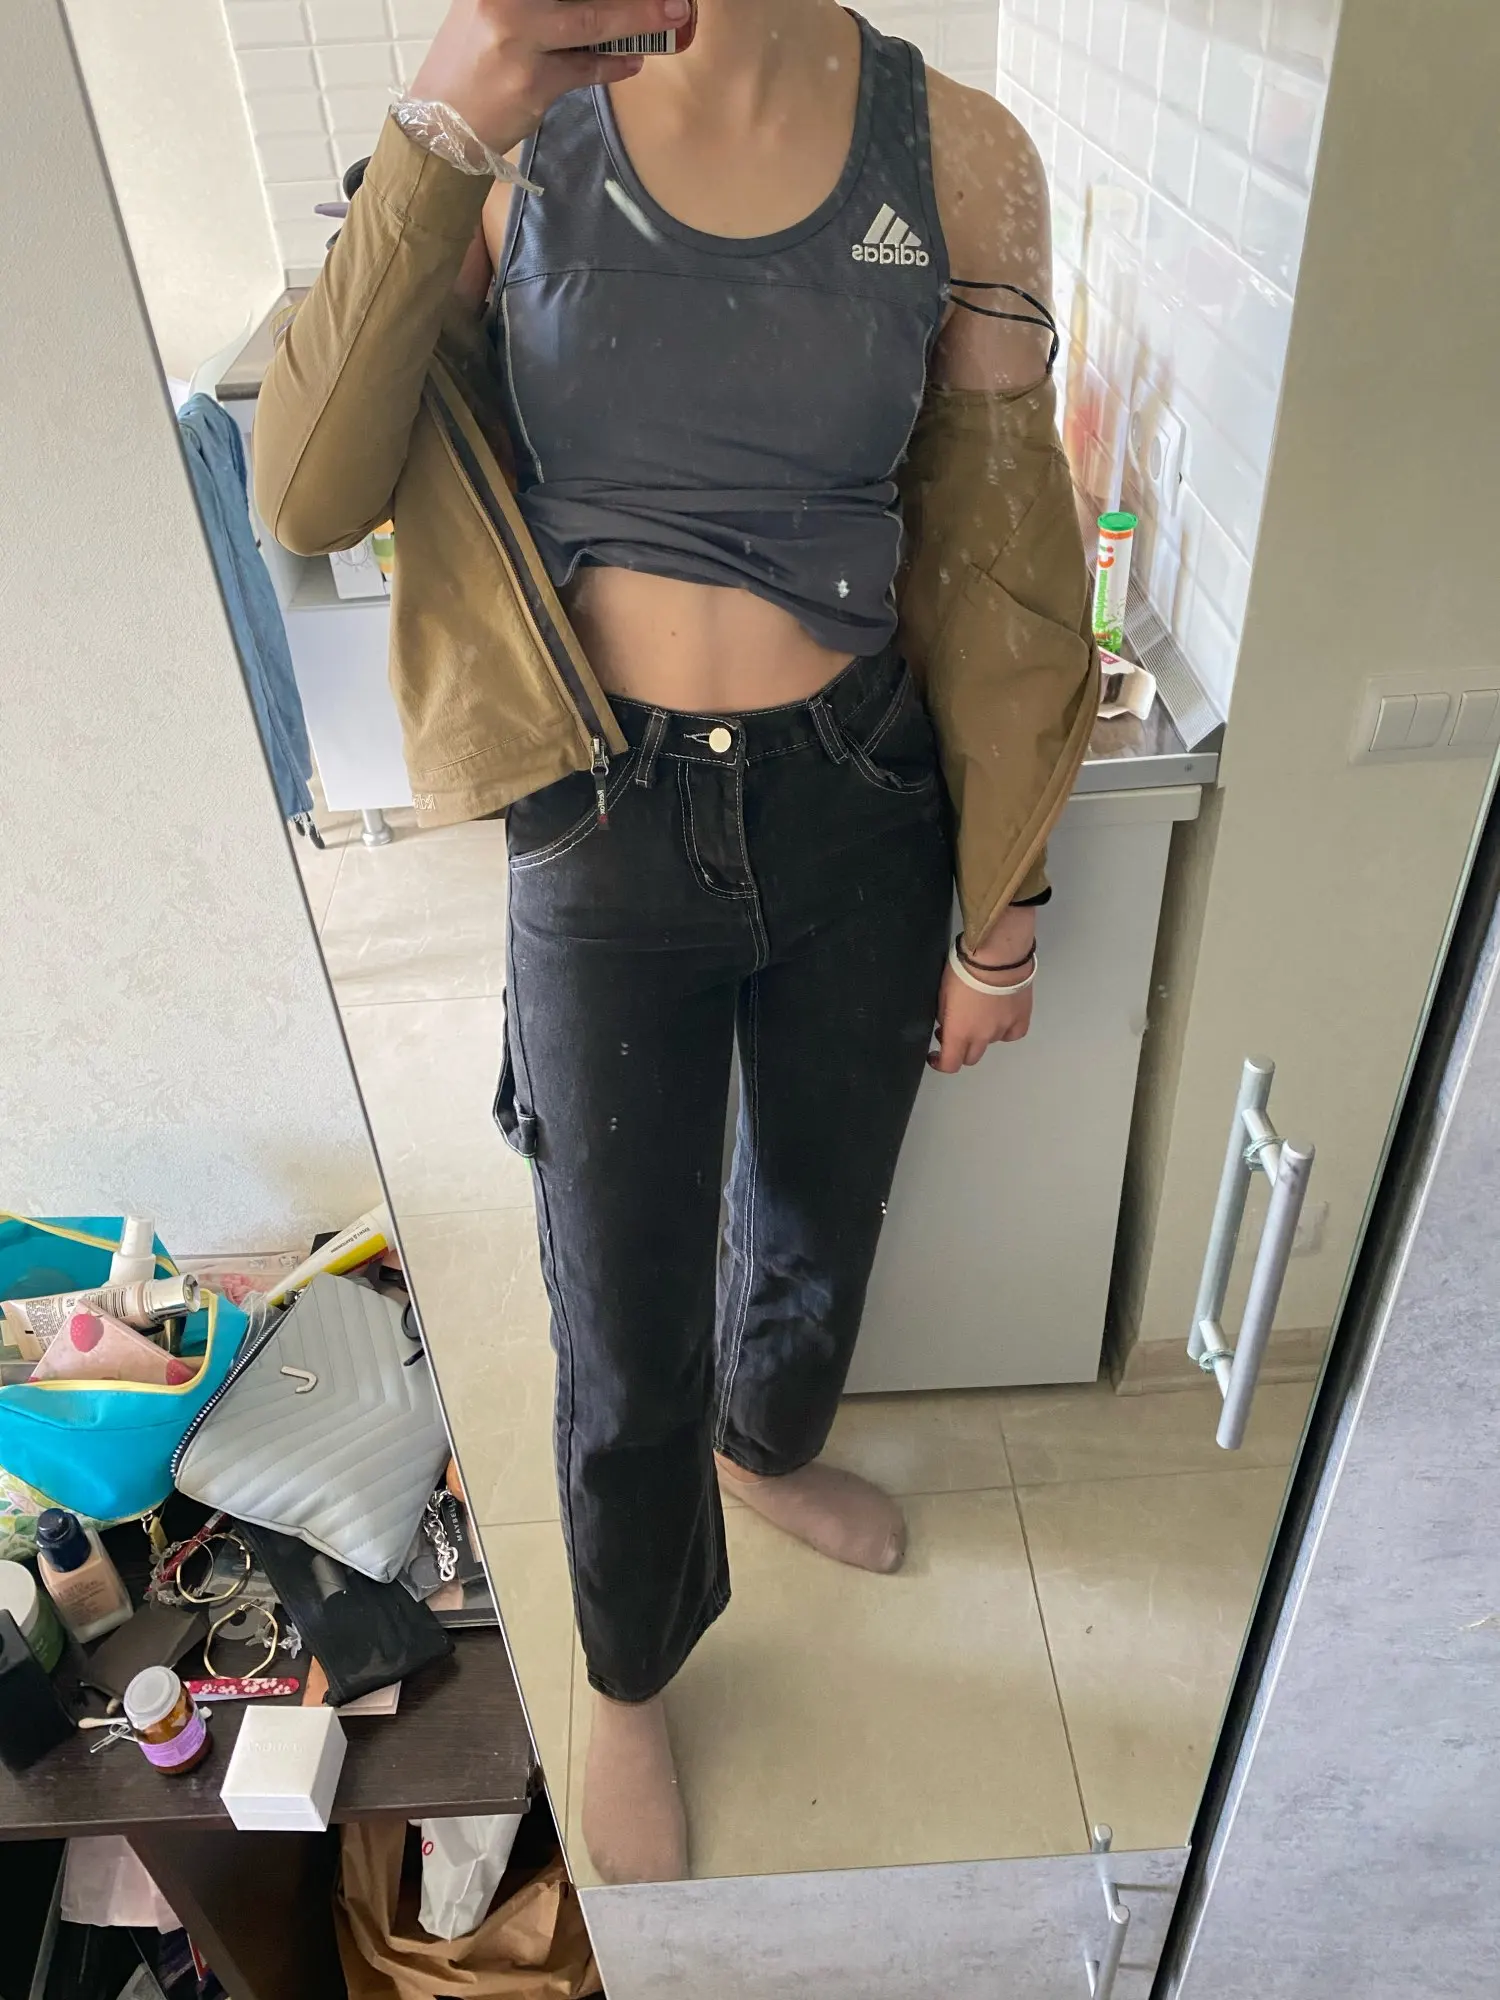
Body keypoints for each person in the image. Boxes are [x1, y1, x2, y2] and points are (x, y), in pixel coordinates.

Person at [254, 0, 1099, 1884]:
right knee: (620, 1317)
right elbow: (304, 492)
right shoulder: (509, 134)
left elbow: (1000, 544)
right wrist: (447, 116)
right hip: (601, 809)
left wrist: (1006, 906)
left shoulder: (962, 153)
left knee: (819, 1218)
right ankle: (629, 1674)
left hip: (858, 795)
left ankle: (764, 1451)